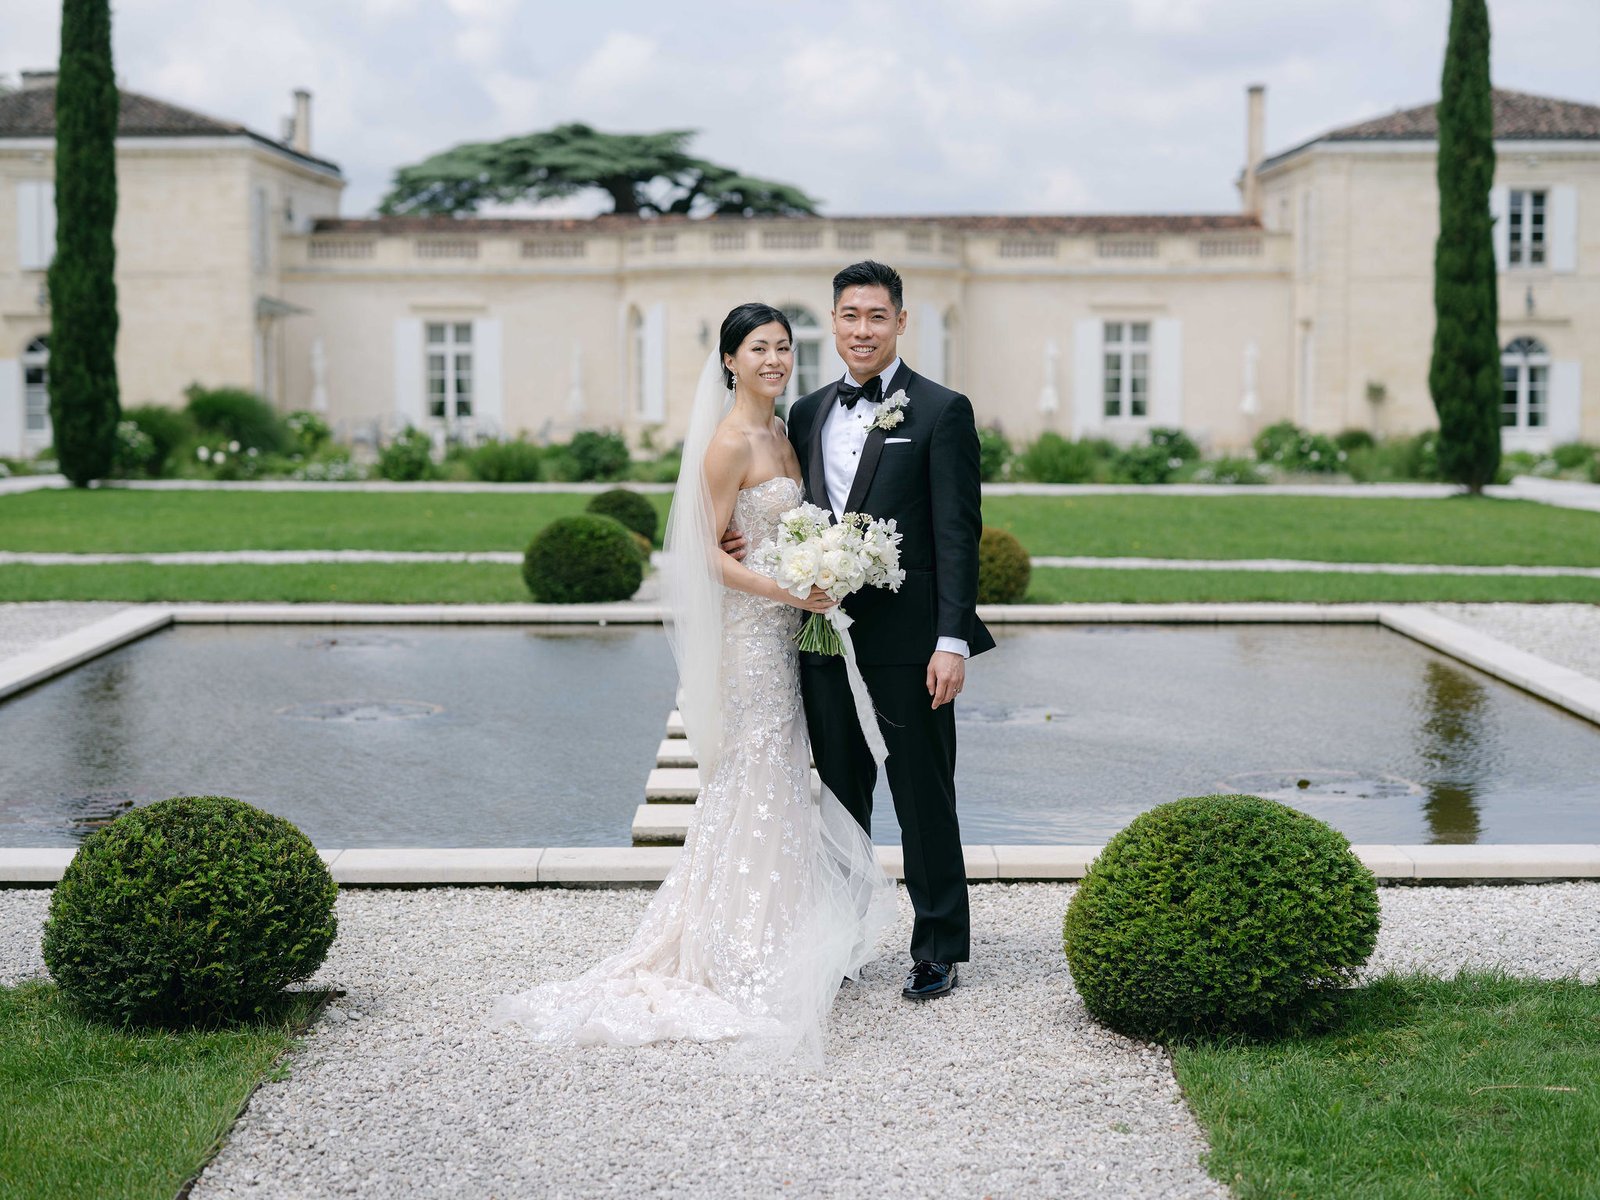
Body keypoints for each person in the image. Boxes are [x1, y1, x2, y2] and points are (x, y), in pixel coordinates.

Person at [490, 303, 894, 1067]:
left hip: (788, 626)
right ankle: (742, 943)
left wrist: (816, 565)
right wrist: (791, 590)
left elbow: (774, 528)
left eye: (783, 346)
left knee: (782, 773)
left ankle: (782, 928)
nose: (774, 359)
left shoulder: (784, 430)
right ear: (729, 361)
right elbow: (706, 557)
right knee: (758, 769)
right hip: (754, 633)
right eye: (758, 349)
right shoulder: (729, 442)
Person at [724, 261, 993, 1001]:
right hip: (817, 639)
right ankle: (841, 938)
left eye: (877, 316)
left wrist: (952, 640)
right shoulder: (805, 413)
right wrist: (753, 551)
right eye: (849, 316)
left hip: (910, 642)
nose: (862, 329)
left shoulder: (942, 411)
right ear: (834, 322)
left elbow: (957, 536)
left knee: (922, 790)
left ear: (901, 322)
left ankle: (938, 945)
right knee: (841, 794)